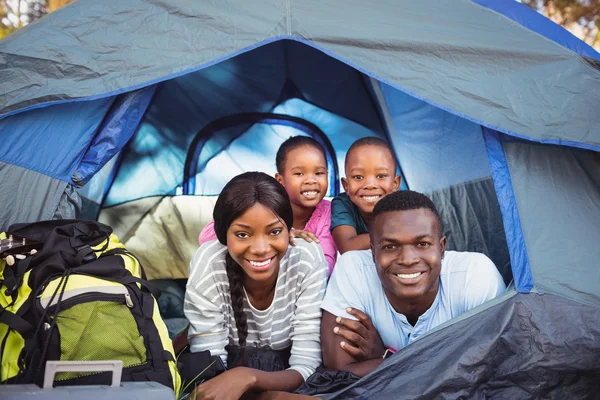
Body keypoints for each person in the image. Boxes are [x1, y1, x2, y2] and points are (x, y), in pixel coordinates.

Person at [321, 190, 506, 377]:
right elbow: (339, 370)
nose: (408, 259)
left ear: (441, 248)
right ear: (373, 252)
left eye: (422, 244)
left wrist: (387, 357)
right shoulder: (354, 269)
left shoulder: (473, 275)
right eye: (390, 246)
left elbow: (489, 367)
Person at [185, 172, 328, 399]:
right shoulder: (209, 263)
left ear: (289, 229)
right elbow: (211, 372)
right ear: (223, 235)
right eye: (242, 234)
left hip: (288, 379)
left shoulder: (306, 258)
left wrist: (248, 378)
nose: (260, 248)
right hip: (222, 376)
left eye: (274, 231)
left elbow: (306, 365)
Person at [199, 136, 337, 274]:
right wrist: (282, 232)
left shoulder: (330, 213)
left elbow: (326, 266)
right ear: (280, 180)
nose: (311, 180)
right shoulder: (266, 203)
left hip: (302, 284)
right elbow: (206, 237)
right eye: (299, 173)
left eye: (319, 173)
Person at [330, 137, 401, 254]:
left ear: (395, 183)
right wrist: (396, 237)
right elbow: (347, 247)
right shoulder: (343, 203)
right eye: (358, 177)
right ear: (346, 185)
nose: (370, 185)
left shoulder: (405, 206)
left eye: (381, 176)